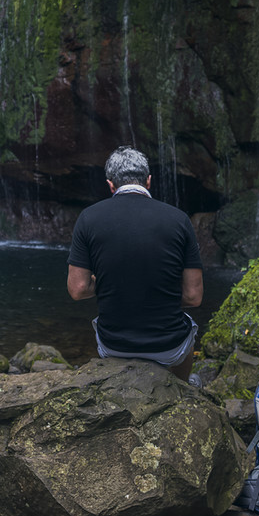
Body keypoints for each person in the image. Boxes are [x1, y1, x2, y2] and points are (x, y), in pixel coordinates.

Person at [66, 145, 204, 381]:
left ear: (111, 185)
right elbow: (193, 297)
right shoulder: (179, 219)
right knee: (188, 325)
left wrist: (115, 286)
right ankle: (183, 388)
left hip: (114, 346)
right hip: (168, 347)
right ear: (148, 181)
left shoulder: (88, 217)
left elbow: (78, 290)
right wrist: (158, 291)